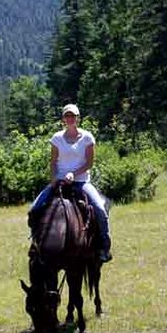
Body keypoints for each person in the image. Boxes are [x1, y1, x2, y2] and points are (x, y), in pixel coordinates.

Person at [28, 103, 111, 262]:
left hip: (80, 182)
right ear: (63, 119)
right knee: (34, 209)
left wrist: (73, 174)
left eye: (73, 116)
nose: (70, 118)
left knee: (100, 209)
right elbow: (53, 162)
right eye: (67, 116)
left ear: (78, 118)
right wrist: (53, 180)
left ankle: (104, 245)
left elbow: (89, 163)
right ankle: (37, 245)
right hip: (59, 181)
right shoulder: (57, 138)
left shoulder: (87, 138)